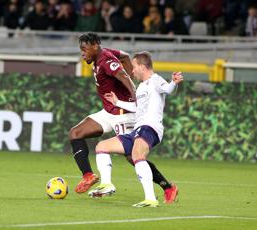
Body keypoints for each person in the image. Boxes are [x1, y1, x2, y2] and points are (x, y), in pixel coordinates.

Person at [70, 33, 178, 204]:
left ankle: (167, 186)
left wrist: (135, 97)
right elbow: (125, 56)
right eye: (81, 50)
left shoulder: (106, 61)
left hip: (123, 113)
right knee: (76, 133)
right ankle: (89, 176)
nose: (82, 53)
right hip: (109, 111)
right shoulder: (104, 54)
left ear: (95, 46)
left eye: (84, 49)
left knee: (133, 156)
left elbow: (123, 77)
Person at [89, 51, 183, 207]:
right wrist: (117, 102)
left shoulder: (155, 80)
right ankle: (106, 184)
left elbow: (167, 89)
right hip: (137, 130)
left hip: (150, 127)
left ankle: (151, 199)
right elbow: (135, 107)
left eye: (133, 67)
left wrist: (173, 82)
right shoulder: (140, 87)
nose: (131, 71)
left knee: (137, 155)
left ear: (142, 66)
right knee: (102, 146)